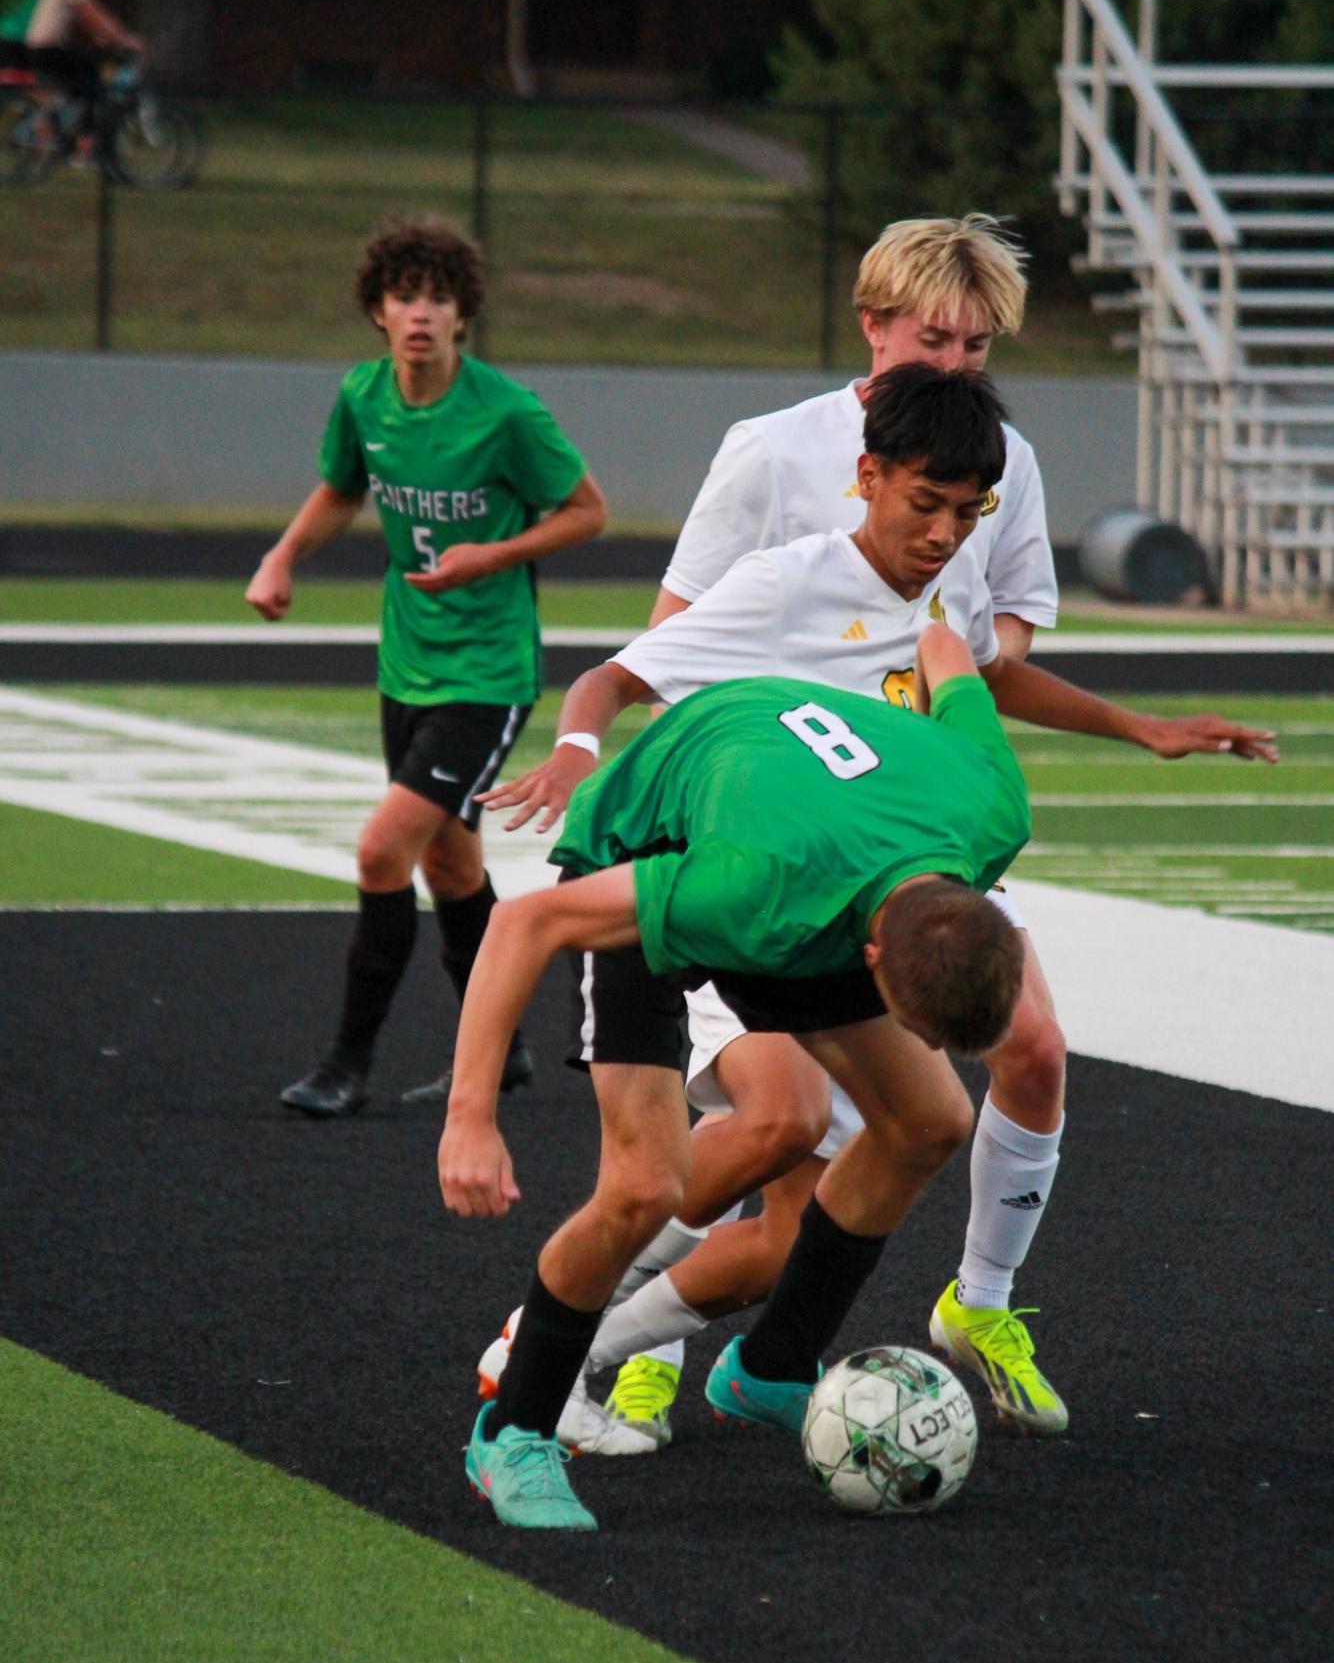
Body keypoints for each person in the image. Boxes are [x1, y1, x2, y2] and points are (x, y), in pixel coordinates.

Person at [477, 362, 1277, 1450]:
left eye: (968, 512)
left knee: (803, 1224)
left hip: (855, 894)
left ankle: (731, 1365)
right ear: (867, 474)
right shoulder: (789, 582)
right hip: (743, 883)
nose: (949, 531)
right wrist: (576, 753)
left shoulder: (941, 599)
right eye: (928, 505)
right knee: (770, 1123)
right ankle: (538, 1348)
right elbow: (615, 678)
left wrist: (1145, 729)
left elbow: (974, 684)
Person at [441, 623, 1032, 1531]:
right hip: (659, 836)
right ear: (873, 960)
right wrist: (470, 1118)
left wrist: (942, 617)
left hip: (822, 850)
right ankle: (512, 1429)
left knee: (928, 1119)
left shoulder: (993, 807)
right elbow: (526, 922)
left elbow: (948, 658)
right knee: (644, 1187)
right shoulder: (746, 886)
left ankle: (773, 1368)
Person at [246, 215, 606, 1117]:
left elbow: (587, 510)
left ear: (461, 316)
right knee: (449, 865)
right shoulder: (363, 397)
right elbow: (342, 486)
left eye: (437, 299)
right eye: (403, 296)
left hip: (487, 674)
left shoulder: (507, 412)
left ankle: (345, 1062)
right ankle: (509, 1051)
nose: (420, 314)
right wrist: (282, 558)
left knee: (383, 847)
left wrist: (488, 555)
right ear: (377, 310)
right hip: (405, 663)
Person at [23, 0, 143, 159]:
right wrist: (124, 39)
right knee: (94, 84)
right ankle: (83, 145)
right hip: (47, 49)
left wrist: (104, 38)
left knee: (80, 85)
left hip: (43, 48)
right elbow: (93, 15)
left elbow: (86, 22)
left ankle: (62, 133)